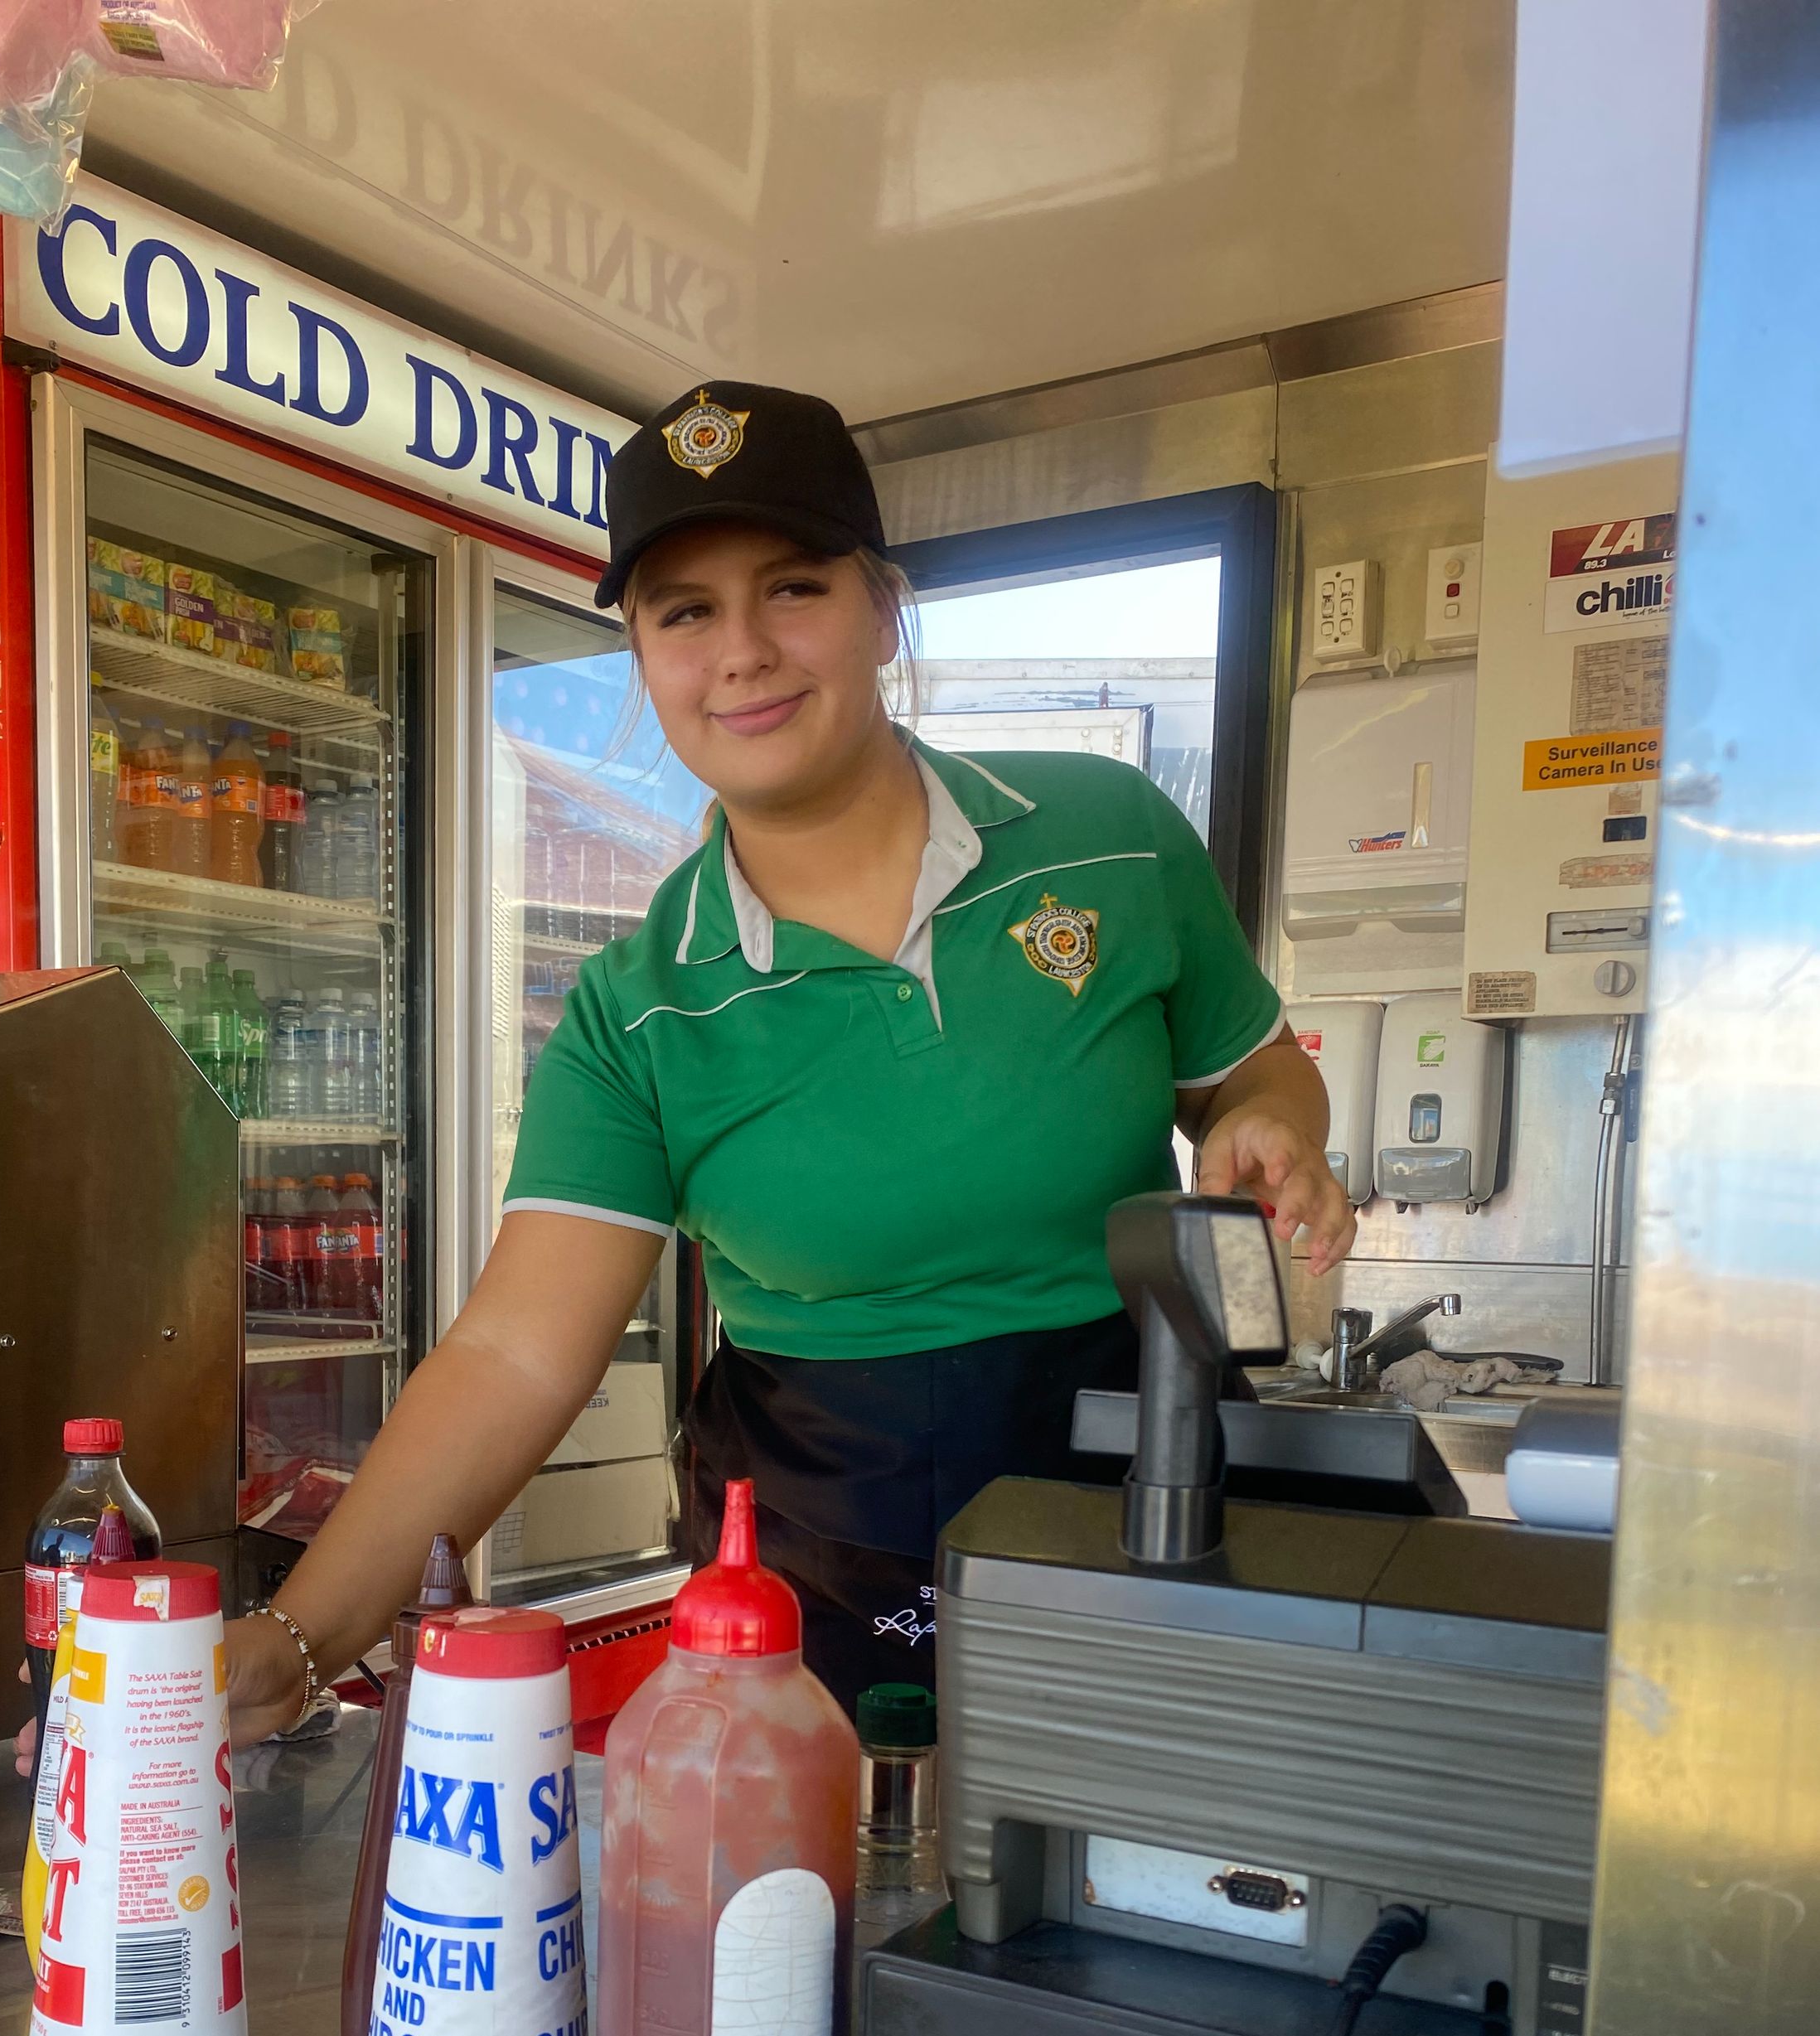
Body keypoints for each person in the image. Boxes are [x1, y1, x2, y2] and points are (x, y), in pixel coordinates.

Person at [191, 381, 1351, 1745]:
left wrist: (1272, 1125)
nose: (741, 651)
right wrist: (295, 1638)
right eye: (684, 611)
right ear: (642, 652)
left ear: (883, 608)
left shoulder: (1113, 838)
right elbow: (511, 1354)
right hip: (820, 1577)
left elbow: (1255, 1073)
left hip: (1147, 1498)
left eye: (793, 588)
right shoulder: (639, 1012)